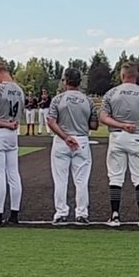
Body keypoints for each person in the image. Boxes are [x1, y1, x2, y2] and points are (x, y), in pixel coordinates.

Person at [99, 63, 139, 227]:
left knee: (115, 176)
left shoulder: (111, 93)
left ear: (122, 75)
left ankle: (115, 215)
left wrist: (120, 124)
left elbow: (103, 117)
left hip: (117, 136)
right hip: (137, 136)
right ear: (136, 75)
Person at [46, 68, 97, 225]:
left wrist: (66, 137)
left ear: (65, 80)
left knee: (61, 180)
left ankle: (61, 213)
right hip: (81, 140)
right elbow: (94, 124)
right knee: (81, 181)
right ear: (79, 82)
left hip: (62, 140)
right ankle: (81, 213)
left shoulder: (58, 99)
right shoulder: (88, 101)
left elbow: (51, 121)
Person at [0, 60, 25, 226]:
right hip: (12, 134)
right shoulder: (20, 91)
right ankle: (14, 213)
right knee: (13, 174)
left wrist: (5, 123)